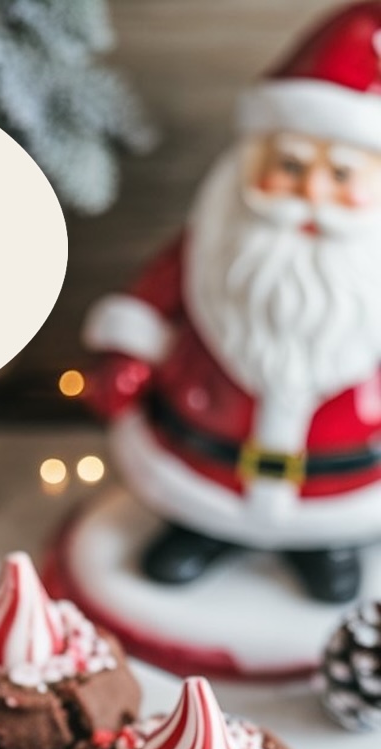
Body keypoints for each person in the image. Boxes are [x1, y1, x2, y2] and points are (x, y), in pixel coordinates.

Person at [83, 2, 381, 603]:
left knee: (334, 520)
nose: (312, 195)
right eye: (291, 168)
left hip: (344, 455)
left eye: (342, 176)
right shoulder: (215, 238)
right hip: (205, 442)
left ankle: (324, 543)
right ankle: (203, 529)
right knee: (198, 496)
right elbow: (149, 299)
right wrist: (126, 357)